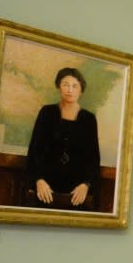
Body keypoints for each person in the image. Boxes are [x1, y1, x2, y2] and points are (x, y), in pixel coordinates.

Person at [26, 67, 101, 210]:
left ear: (81, 90)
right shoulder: (46, 112)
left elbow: (93, 158)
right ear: (58, 86)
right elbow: (34, 150)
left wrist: (86, 185)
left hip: (76, 190)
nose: (70, 90)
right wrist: (39, 180)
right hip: (46, 187)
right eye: (65, 84)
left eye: (75, 86)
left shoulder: (89, 119)